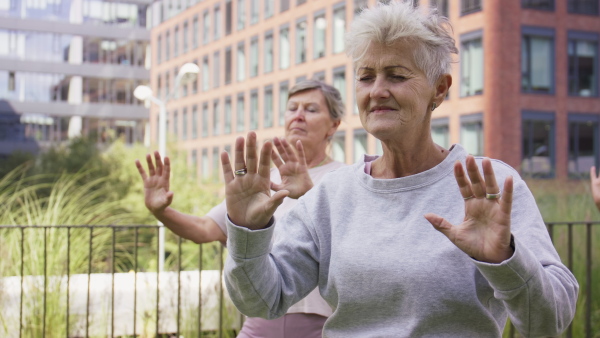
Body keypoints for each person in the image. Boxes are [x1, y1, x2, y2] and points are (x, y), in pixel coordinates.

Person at [220, 2, 579, 337]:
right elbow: (261, 300)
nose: (377, 91)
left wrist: (505, 259)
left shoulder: (491, 185)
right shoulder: (332, 195)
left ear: (439, 89)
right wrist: (248, 231)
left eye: (396, 75)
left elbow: (549, 321)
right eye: (366, 77)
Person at [135, 80, 346, 337]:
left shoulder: (344, 179)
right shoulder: (259, 181)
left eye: (311, 109)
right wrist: (161, 212)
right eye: (292, 108)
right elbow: (203, 229)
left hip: (320, 325)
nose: (298, 116)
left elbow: (350, 249)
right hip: (258, 321)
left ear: (334, 125)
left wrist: (309, 195)